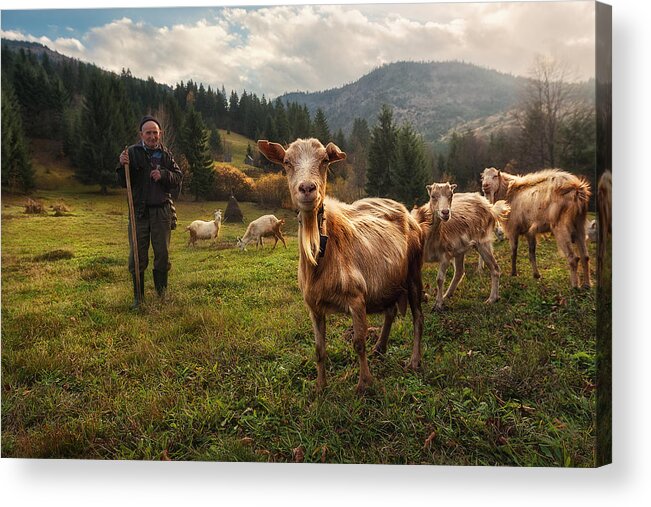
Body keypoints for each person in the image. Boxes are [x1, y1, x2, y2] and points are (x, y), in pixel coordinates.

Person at [116, 115, 183, 309]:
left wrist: (163, 174)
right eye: (149, 133)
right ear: (141, 134)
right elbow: (122, 181)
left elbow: (178, 177)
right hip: (139, 213)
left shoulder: (166, 155)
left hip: (162, 212)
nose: (153, 136)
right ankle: (139, 299)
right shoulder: (131, 153)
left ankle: (161, 296)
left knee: (162, 254)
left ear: (160, 134)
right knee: (137, 256)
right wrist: (122, 165)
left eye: (155, 132)